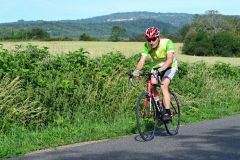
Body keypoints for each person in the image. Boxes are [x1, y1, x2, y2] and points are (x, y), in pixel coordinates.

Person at [132, 26, 178, 122]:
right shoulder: (147, 45)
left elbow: (169, 60)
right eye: (148, 40)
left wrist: (160, 70)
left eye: (153, 39)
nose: (151, 42)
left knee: (163, 86)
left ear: (158, 37)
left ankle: (167, 112)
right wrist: (136, 71)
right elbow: (142, 60)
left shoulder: (167, 42)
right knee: (152, 86)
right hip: (157, 66)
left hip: (170, 65)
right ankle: (158, 108)